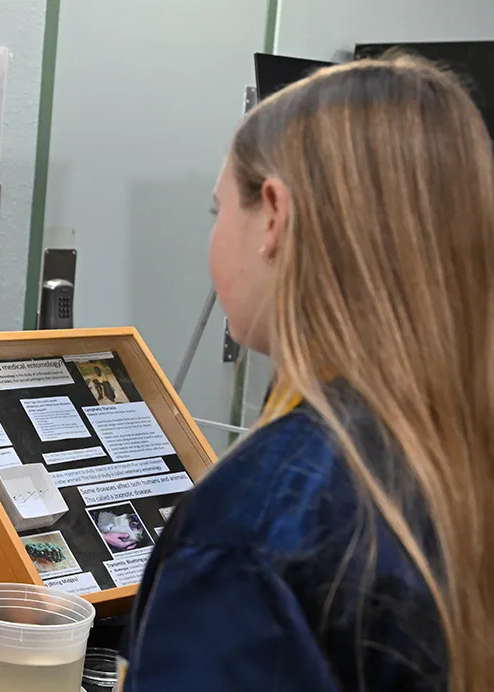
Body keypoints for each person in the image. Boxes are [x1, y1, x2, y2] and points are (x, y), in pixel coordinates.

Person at [119, 54, 494, 691]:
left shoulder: (253, 528)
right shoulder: (454, 456)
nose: (214, 239)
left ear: (273, 216)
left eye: (218, 213)